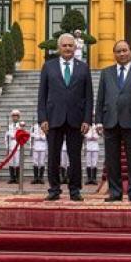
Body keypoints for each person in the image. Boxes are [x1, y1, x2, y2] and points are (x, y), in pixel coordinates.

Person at [36, 32, 94, 201]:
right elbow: (42, 94)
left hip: (76, 119)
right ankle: (54, 189)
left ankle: (75, 189)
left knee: (75, 156)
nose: (67, 48)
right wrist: (42, 118)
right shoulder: (48, 66)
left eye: (70, 45)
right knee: (53, 156)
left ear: (75, 47)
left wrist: (87, 119)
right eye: (64, 45)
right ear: (58, 48)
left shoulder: (83, 67)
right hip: (53, 118)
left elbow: (88, 96)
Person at [93, 39, 131, 202]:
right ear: (114, 54)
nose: (122, 53)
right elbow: (101, 98)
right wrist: (98, 120)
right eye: (118, 51)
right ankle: (115, 192)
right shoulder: (106, 73)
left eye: (124, 50)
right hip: (110, 121)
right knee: (112, 160)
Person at [6, 109, 27, 185]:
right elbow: (6, 137)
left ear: (18, 117)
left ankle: (18, 177)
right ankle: (12, 177)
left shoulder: (21, 126)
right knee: (11, 162)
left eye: (16, 116)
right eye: (13, 116)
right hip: (11, 145)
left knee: (17, 162)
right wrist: (7, 146)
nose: (15, 118)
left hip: (18, 145)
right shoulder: (9, 126)